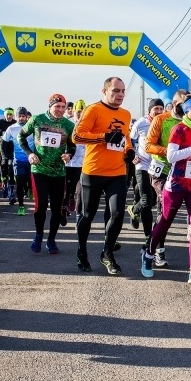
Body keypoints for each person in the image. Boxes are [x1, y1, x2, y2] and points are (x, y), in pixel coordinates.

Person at [141, 94, 191, 284]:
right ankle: (148, 254)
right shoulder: (178, 129)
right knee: (165, 222)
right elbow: (172, 156)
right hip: (176, 184)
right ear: (187, 110)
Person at [73, 77, 134, 275]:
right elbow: (77, 136)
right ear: (105, 91)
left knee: (117, 214)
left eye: (123, 91)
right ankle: (82, 252)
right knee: (88, 215)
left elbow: (125, 138)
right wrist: (103, 137)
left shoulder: (126, 114)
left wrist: (129, 150)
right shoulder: (93, 110)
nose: (120, 95)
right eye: (116, 91)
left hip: (117, 172)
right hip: (93, 171)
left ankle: (107, 254)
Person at [18, 94, 76, 255]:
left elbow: (72, 146)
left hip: (58, 172)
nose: (60, 110)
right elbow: (21, 136)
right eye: (57, 106)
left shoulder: (68, 125)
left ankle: (51, 239)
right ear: (50, 106)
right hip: (39, 170)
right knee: (41, 205)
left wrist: (69, 155)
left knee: (57, 208)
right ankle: (38, 235)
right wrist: (29, 153)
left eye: (63, 107)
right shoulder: (37, 119)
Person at [145, 89, 190, 268]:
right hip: (161, 170)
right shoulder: (161, 119)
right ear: (174, 102)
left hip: (182, 172)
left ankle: (153, 244)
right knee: (165, 207)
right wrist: (171, 153)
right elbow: (149, 145)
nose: (184, 107)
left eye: (187, 103)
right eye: (181, 103)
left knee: (165, 212)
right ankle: (157, 249)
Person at [127, 98, 164, 242]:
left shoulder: (163, 122)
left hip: (157, 166)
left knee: (153, 200)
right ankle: (149, 235)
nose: (159, 112)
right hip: (141, 164)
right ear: (150, 110)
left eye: (161, 109)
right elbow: (129, 140)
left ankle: (133, 210)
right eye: (156, 109)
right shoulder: (141, 123)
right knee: (146, 200)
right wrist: (133, 156)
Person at [64, 99, 86, 217]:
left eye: (82, 112)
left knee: (80, 191)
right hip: (68, 162)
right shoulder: (68, 124)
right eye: (78, 111)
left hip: (82, 164)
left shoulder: (89, 125)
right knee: (68, 189)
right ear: (73, 112)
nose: (80, 114)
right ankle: (66, 204)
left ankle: (78, 217)